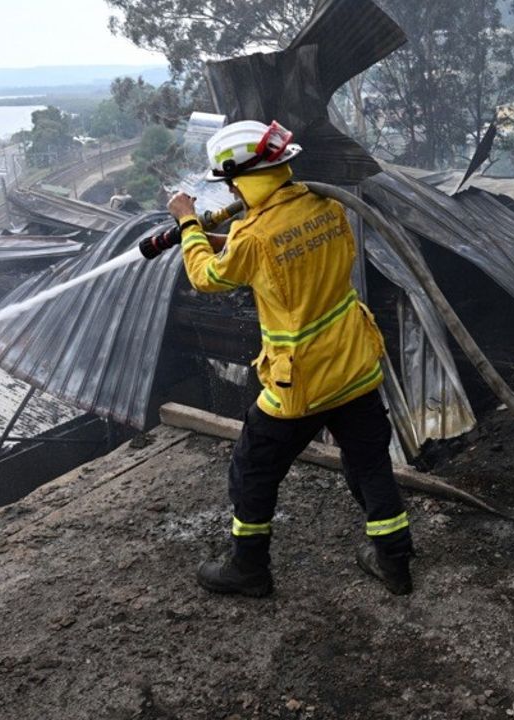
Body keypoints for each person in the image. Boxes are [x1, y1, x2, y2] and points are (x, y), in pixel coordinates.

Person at [158, 119, 414, 597]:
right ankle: (395, 564)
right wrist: (226, 242)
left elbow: (207, 277)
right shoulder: (324, 205)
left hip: (301, 381)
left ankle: (248, 568)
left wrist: (188, 223)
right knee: (370, 465)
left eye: (231, 181)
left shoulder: (255, 236)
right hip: (354, 363)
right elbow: (275, 253)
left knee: (252, 469)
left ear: (244, 178)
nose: (230, 190)